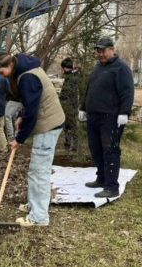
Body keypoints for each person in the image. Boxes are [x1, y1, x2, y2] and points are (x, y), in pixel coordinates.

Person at [0, 52, 65, 227]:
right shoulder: (23, 69)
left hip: (48, 124)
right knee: (35, 169)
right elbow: (31, 103)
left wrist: (19, 138)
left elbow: (33, 111)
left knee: (40, 171)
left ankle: (39, 217)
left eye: (1, 73)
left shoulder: (27, 77)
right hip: (47, 120)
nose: (3, 76)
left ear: (8, 65)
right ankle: (34, 205)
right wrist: (22, 116)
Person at [79, 37, 135, 198]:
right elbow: (90, 88)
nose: (100, 54)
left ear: (112, 49)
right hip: (93, 115)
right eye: (98, 51)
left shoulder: (121, 68)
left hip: (111, 117)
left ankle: (112, 186)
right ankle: (102, 178)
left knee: (110, 150)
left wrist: (124, 112)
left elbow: (127, 91)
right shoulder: (98, 67)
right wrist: (83, 107)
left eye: (103, 50)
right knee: (95, 148)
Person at [58, 57, 81, 151]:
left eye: (64, 68)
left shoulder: (72, 77)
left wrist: (63, 100)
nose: (63, 70)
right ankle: (69, 145)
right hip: (68, 105)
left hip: (70, 105)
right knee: (68, 126)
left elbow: (68, 93)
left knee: (71, 126)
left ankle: (72, 146)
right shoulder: (70, 76)